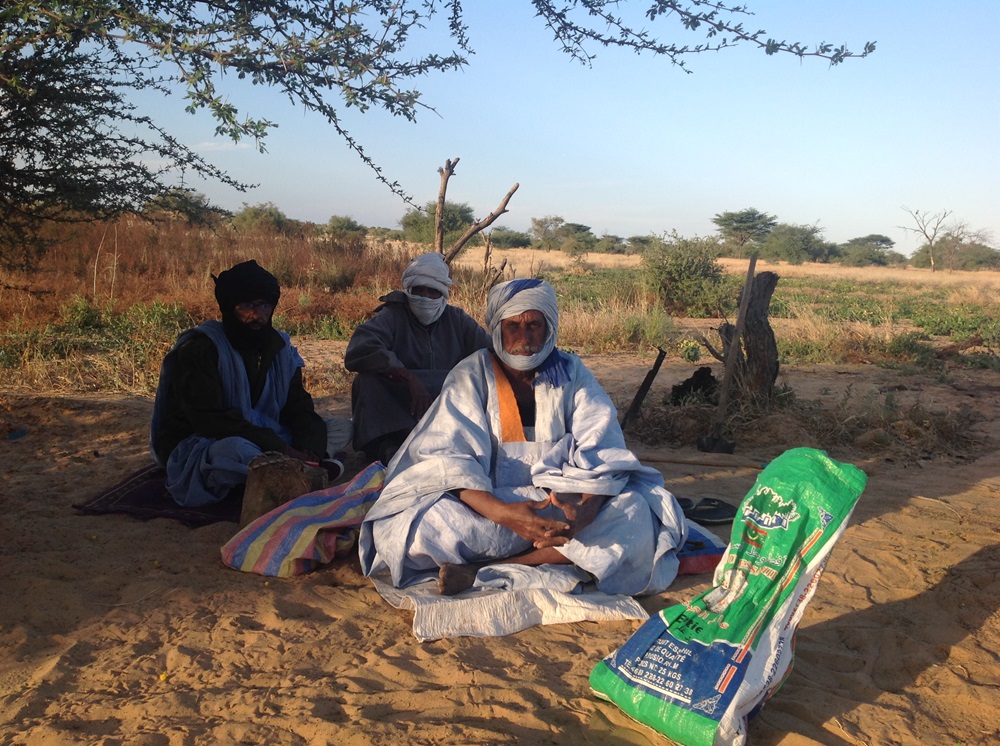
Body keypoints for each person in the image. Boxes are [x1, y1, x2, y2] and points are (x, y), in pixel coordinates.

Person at [359, 278, 688, 597]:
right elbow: (446, 461)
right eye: (513, 326)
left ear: (549, 328)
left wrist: (583, 515)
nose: (523, 337)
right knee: (421, 528)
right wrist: (505, 514)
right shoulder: (471, 374)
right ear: (497, 329)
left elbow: (602, 449)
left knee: (636, 512)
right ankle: (561, 559)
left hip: (561, 503)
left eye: (534, 326)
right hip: (490, 506)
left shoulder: (572, 372)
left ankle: (492, 569)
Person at [150, 259, 338, 507]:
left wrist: (309, 448)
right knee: (237, 451)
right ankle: (291, 472)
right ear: (230, 308)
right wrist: (282, 448)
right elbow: (210, 421)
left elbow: (298, 406)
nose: (256, 315)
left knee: (338, 428)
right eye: (247, 306)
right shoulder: (201, 349)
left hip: (268, 435)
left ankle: (297, 469)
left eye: (264, 306)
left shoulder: (279, 349)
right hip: (204, 442)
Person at [344, 252, 491, 464]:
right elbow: (361, 347)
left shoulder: (457, 319)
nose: (424, 297)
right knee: (366, 381)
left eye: (432, 291)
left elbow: (490, 351)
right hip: (402, 397)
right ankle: (387, 445)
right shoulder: (393, 315)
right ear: (408, 290)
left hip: (447, 396)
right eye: (418, 290)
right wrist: (406, 377)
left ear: (443, 293)